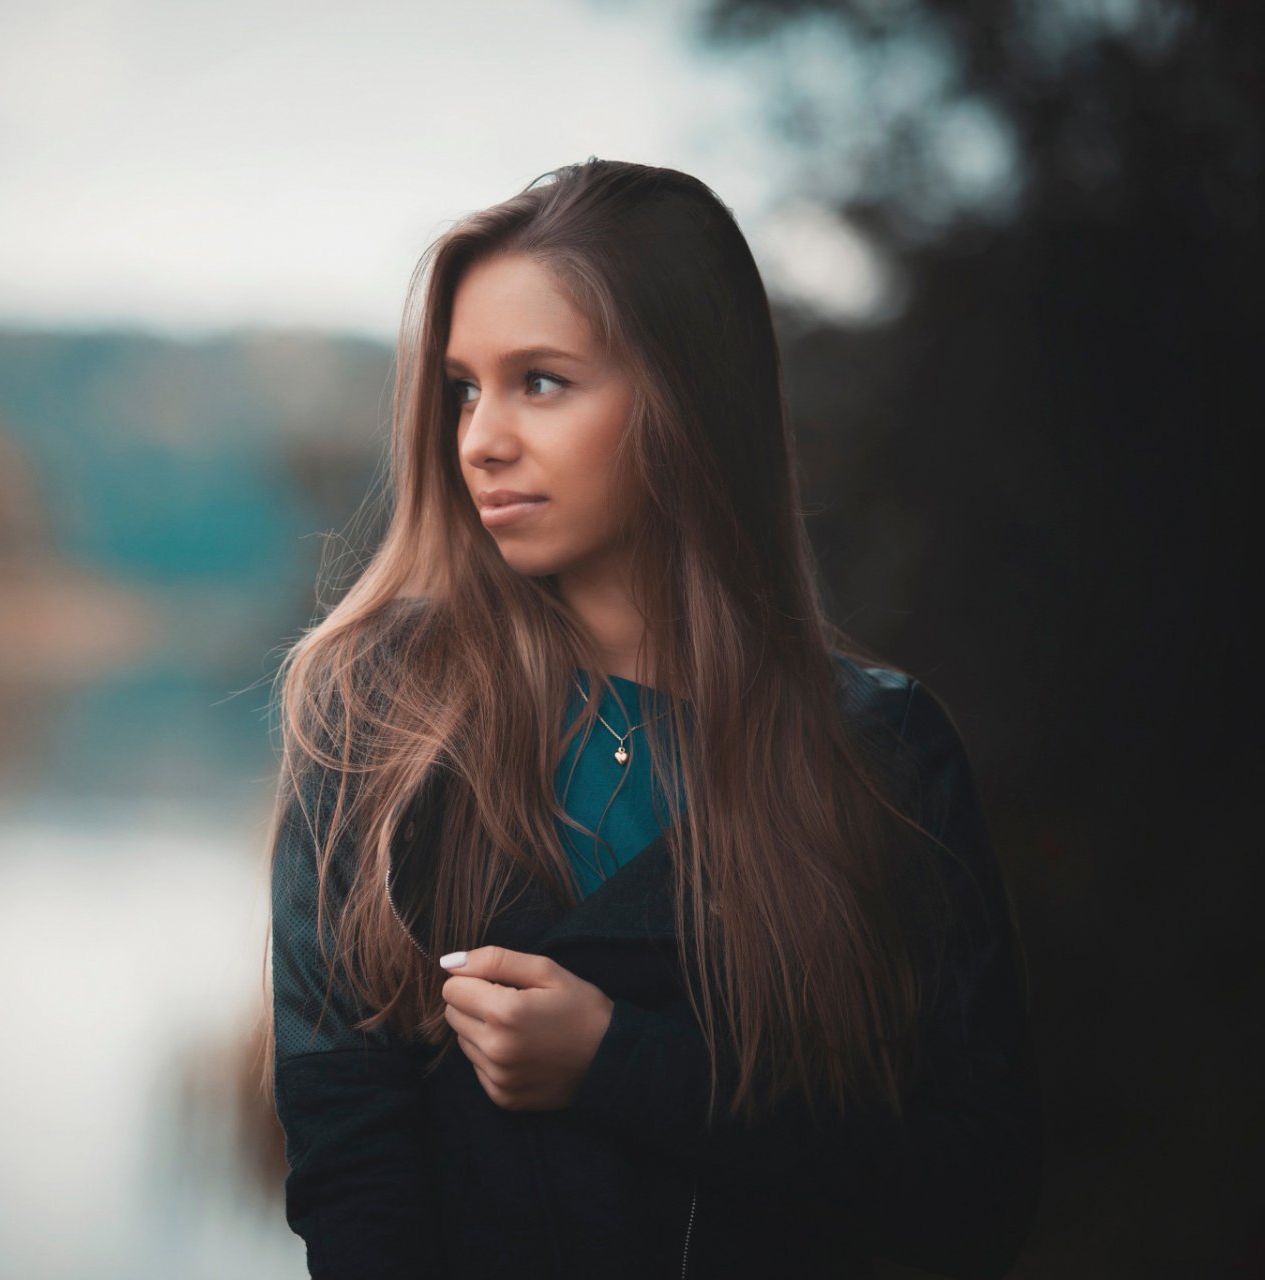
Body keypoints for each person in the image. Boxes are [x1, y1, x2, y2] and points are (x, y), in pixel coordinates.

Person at [259, 159, 1044, 1279]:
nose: (480, 438)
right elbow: (348, 1163)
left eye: (541, 381)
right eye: (463, 388)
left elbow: (972, 1192)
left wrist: (622, 1063)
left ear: (688, 395)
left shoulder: (880, 753)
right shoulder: (379, 720)